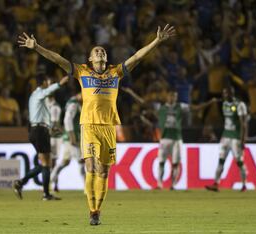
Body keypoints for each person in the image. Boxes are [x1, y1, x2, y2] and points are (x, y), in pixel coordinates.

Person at [17, 24, 175, 225]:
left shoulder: (115, 73)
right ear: (91, 59)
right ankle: (91, 210)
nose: (100, 52)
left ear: (105, 58)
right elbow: (58, 59)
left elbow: (137, 57)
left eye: (102, 51)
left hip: (108, 126)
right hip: (89, 125)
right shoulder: (82, 71)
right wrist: (37, 47)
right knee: (90, 165)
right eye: (95, 52)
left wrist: (157, 41)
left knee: (104, 171)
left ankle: (97, 210)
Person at [13, 74, 69, 201]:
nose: (48, 84)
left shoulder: (35, 97)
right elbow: (48, 91)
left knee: (45, 163)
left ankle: (22, 184)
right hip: (39, 131)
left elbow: (40, 114)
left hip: (38, 129)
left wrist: (50, 127)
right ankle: (44, 193)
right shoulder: (39, 93)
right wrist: (60, 83)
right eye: (48, 82)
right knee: (46, 163)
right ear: (43, 82)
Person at [155, 89, 216, 190]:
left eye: (175, 96)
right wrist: (131, 93)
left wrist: (209, 103)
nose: (173, 98)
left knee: (175, 163)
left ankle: (173, 184)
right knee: (161, 162)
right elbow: (144, 104)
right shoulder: (161, 107)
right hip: (164, 139)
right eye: (171, 96)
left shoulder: (181, 106)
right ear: (167, 96)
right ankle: (159, 184)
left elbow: (195, 108)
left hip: (177, 139)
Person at [205, 87, 248, 192]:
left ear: (232, 93)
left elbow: (244, 124)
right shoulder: (224, 105)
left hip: (235, 138)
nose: (225, 95)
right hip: (225, 136)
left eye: (227, 93)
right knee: (221, 160)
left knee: (239, 162)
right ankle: (216, 183)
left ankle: (244, 185)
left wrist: (243, 140)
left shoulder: (240, 105)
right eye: (224, 93)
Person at [51, 93, 84, 192]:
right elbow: (67, 120)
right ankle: (88, 188)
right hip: (72, 138)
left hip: (68, 138)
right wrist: (72, 135)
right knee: (81, 161)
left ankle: (51, 182)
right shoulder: (73, 104)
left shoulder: (74, 103)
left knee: (64, 162)